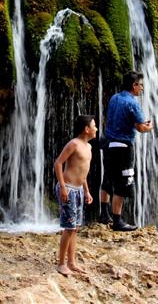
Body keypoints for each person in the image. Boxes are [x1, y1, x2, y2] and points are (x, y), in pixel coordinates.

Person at [97, 71, 153, 231]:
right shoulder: (132, 103)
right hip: (123, 147)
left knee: (108, 178)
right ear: (134, 85)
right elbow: (140, 127)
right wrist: (148, 127)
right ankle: (117, 221)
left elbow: (119, 119)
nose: (142, 89)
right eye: (140, 85)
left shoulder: (115, 98)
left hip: (108, 144)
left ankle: (104, 214)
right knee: (122, 185)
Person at [53, 114, 96, 276]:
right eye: (94, 125)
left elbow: (82, 172)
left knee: (75, 228)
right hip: (68, 189)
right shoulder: (74, 144)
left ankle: (71, 262)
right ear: (86, 129)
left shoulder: (89, 147)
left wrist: (86, 190)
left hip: (78, 190)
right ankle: (61, 263)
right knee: (69, 228)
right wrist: (63, 187)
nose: (96, 128)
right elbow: (58, 163)